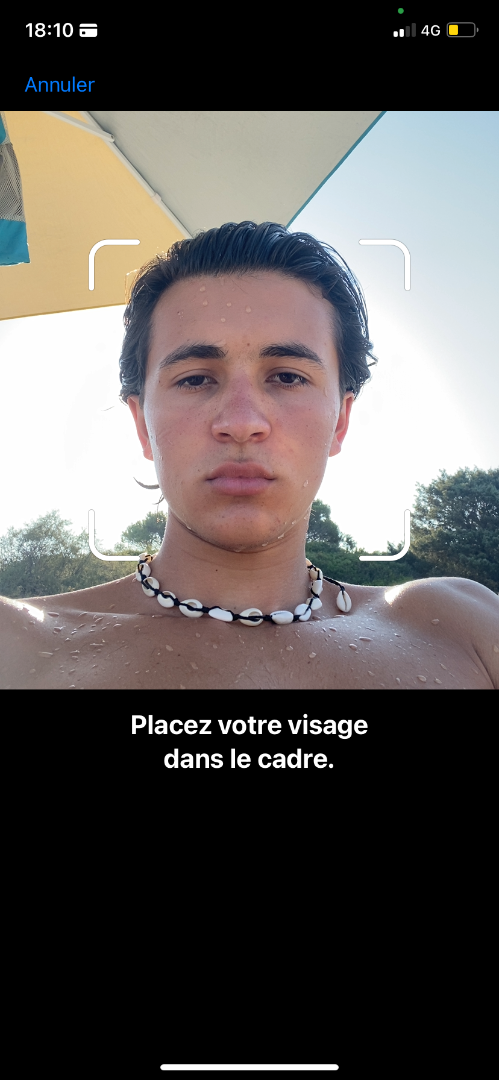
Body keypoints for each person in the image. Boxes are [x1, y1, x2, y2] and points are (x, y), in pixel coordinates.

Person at [1, 221, 498, 689]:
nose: (241, 422)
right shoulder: (16, 645)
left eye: (287, 377)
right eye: (196, 379)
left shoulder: (467, 627)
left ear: (340, 421)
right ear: (141, 424)